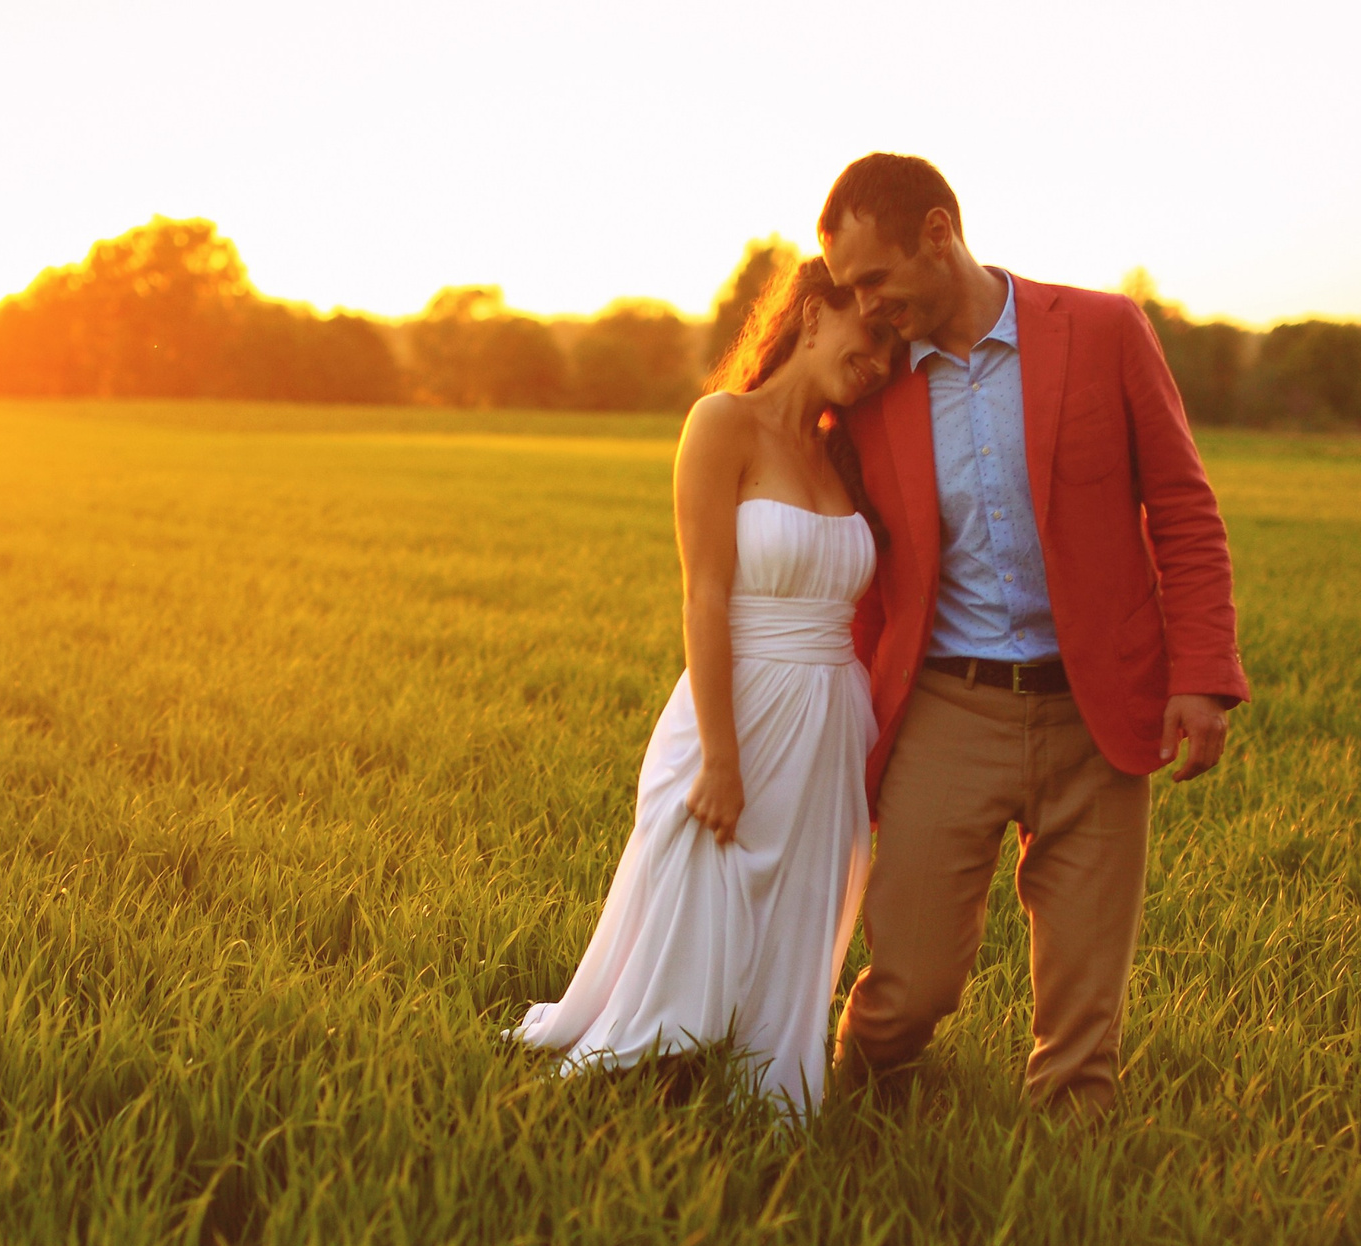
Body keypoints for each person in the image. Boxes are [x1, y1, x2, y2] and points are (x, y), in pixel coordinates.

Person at [817, 153, 1251, 1113]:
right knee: (908, 989)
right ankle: (857, 1102)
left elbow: (1184, 507)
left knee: (1082, 1045)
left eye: (875, 278)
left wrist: (1201, 674)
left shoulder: (1104, 331)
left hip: (1097, 712)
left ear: (939, 233)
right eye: (850, 289)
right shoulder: (874, 384)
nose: (866, 305)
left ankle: (1072, 1172)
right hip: (948, 708)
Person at [510, 259, 897, 1116]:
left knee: (797, 914)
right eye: (871, 333)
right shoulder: (723, 422)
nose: (878, 361)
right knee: (696, 902)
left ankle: (758, 1084)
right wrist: (721, 758)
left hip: (832, 721)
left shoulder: (847, 451)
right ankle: (650, 1073)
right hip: (738, 709)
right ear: (812, 314)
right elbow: (705, 596)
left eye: (892, 350)